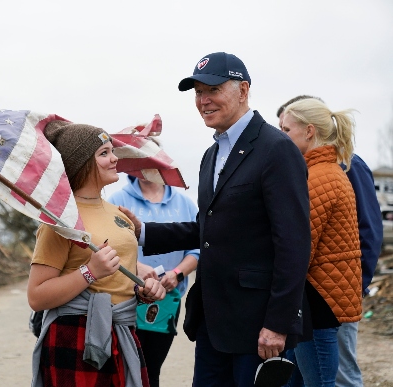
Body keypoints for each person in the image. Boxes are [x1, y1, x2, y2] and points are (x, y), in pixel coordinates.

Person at [119, 52, 311, 387]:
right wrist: (143, 231)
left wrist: (278, 323)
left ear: (243, 90)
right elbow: (207, 229)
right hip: (212, 320)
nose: (203, 100)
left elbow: (294, 243)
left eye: (214, 89)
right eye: (197, 92)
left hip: (257, 326)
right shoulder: (211, 155)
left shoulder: (276, 149)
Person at [27, 120, 166, 387]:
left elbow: (118, 279)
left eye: (112, 151)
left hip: (123, 332)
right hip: (76, 335)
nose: (115, 159)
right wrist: (89, 272)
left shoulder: (120, 215)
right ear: (80, 163)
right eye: (104, 153)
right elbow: (37, 296)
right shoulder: (61, 221)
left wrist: (142, 290)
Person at [278, 95, 383, 387]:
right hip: (323, 297)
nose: (281, 137)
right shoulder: (323, 172)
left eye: (286, 130)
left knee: (329, 381)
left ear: (309, 131)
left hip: (321, 302)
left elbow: (298, 249)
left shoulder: (321, 178)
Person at [108, 174, 200, 387]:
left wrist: (177, 273)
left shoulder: (184, 203)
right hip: (126, 299)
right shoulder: (118, 200)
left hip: (167, 300)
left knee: (151, 367)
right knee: (123, 364)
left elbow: (196, 249)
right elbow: (106, 244)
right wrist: (137, 267)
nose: (144, 169)